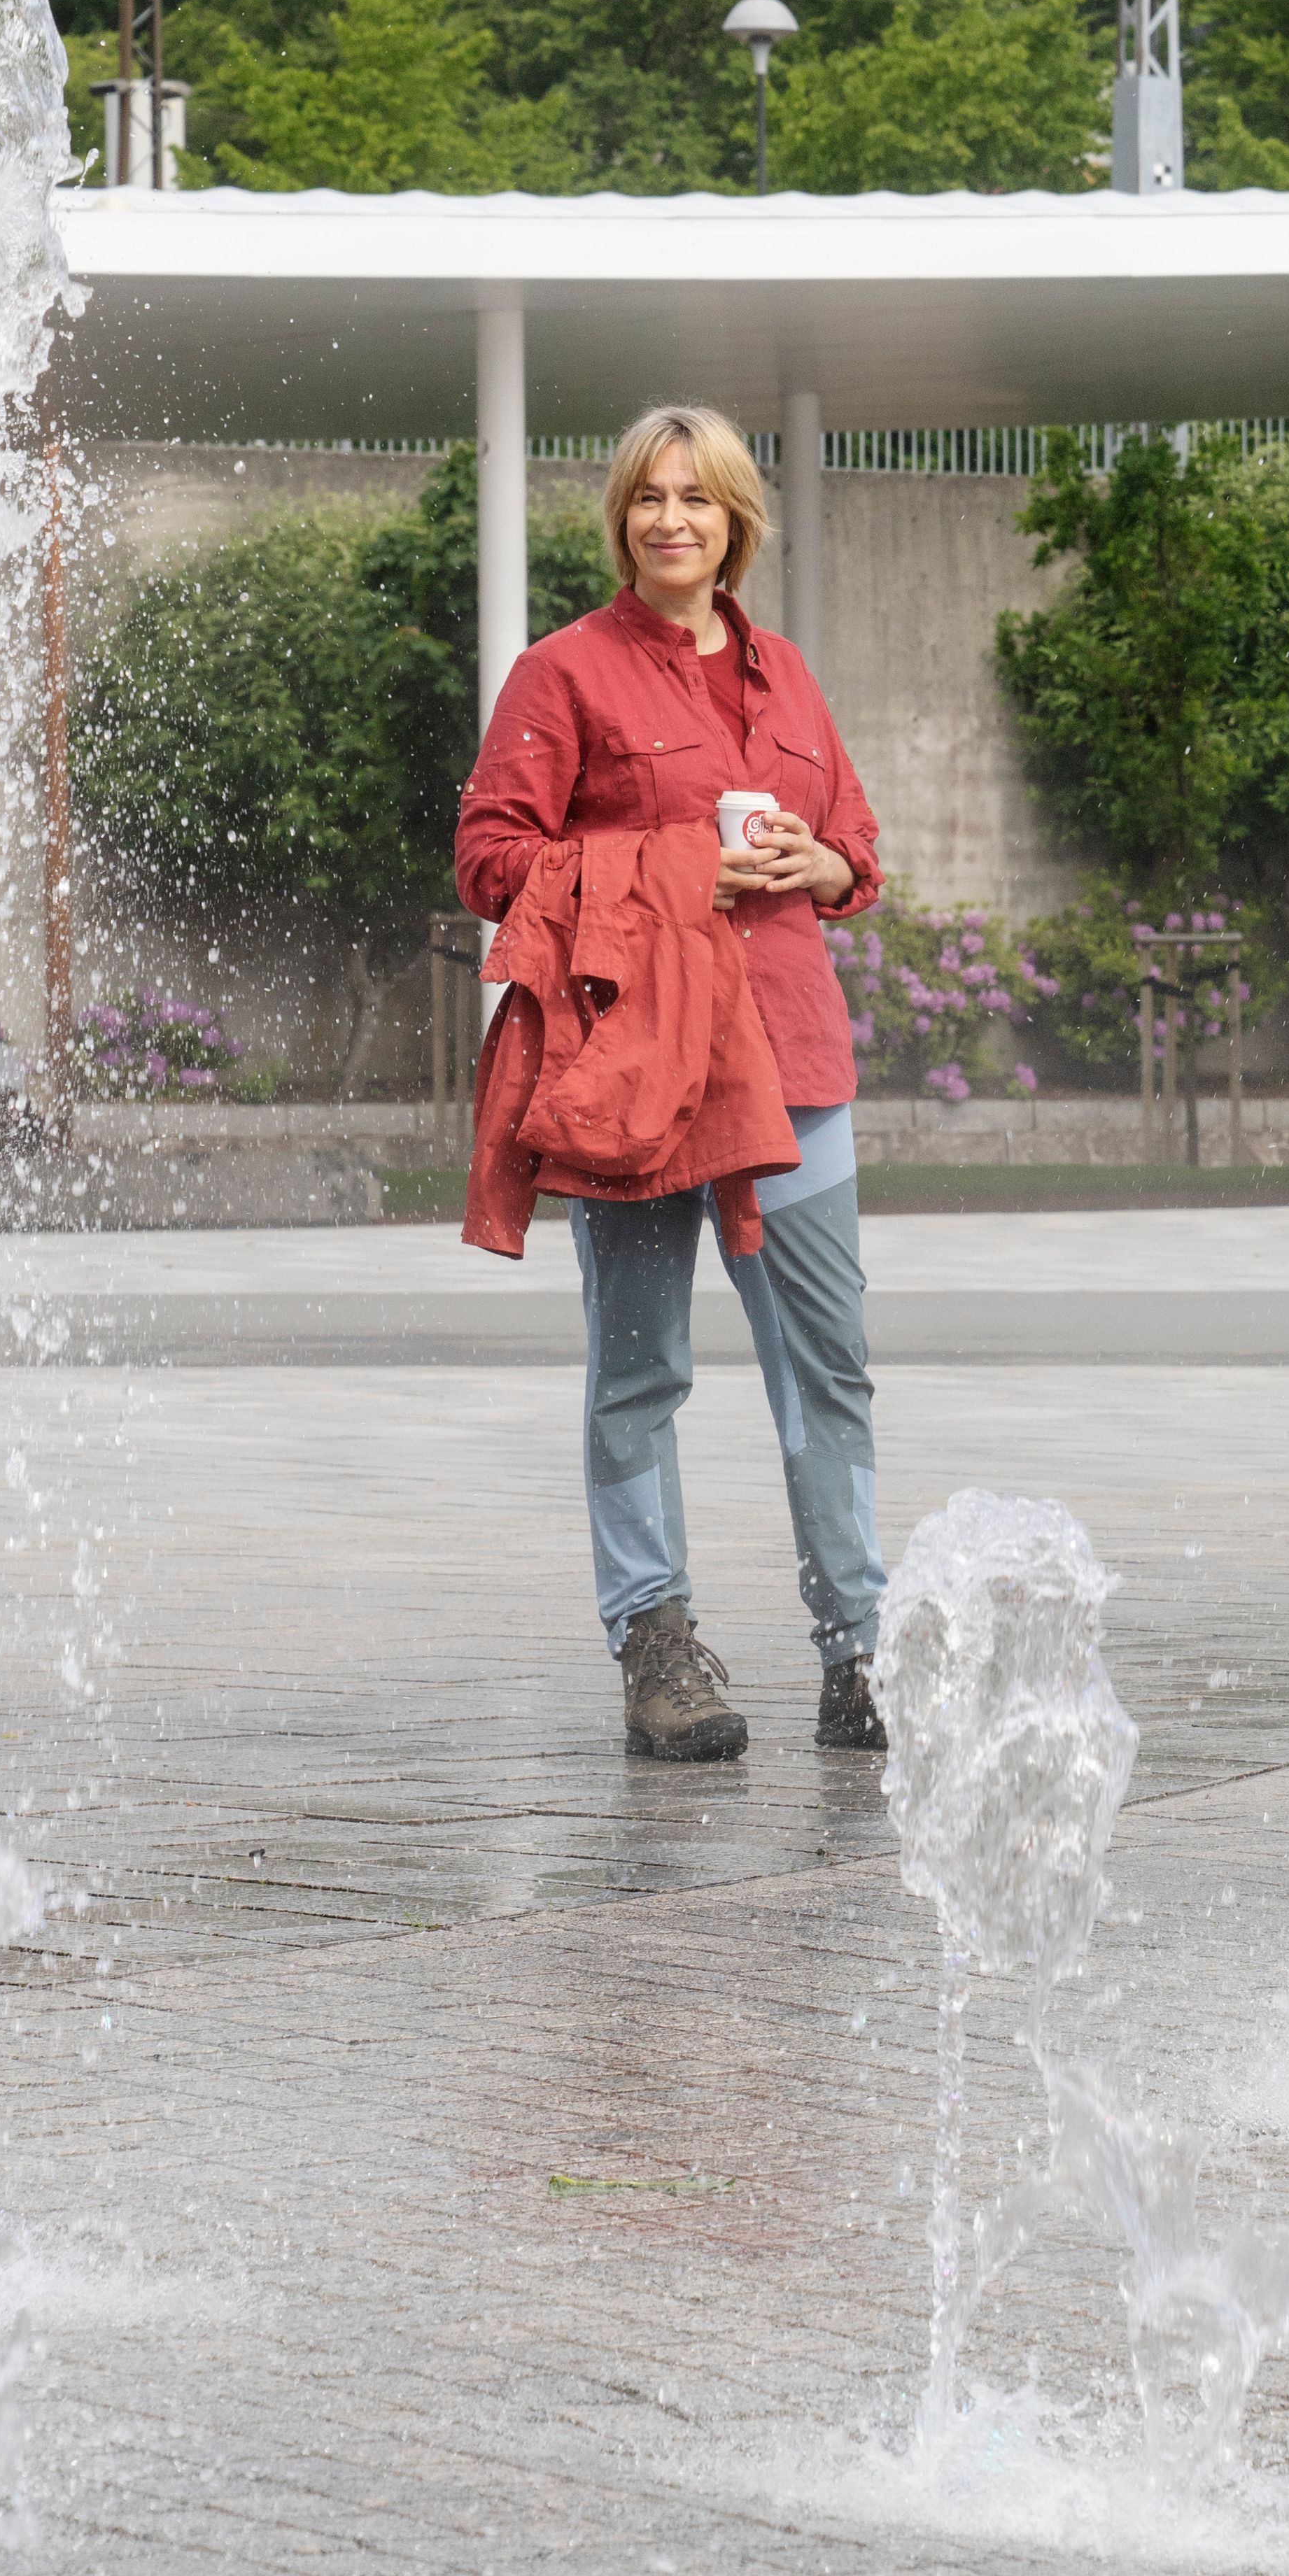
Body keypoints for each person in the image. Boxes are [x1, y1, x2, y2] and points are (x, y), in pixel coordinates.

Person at [457, 404, 894, 1756]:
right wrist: (667, 872)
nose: (671, 521)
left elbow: (855, 848)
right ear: (621, 520)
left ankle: (860, 1652)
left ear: (735, 522)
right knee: (639, 1372)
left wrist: (823, 870)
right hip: (639, 1075)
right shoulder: (563, 674)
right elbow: (488, 860)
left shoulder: (791, 676)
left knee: (830, 1371)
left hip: (795, 1071)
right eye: (648, 498)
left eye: (696, 500)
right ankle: (658, 1650)